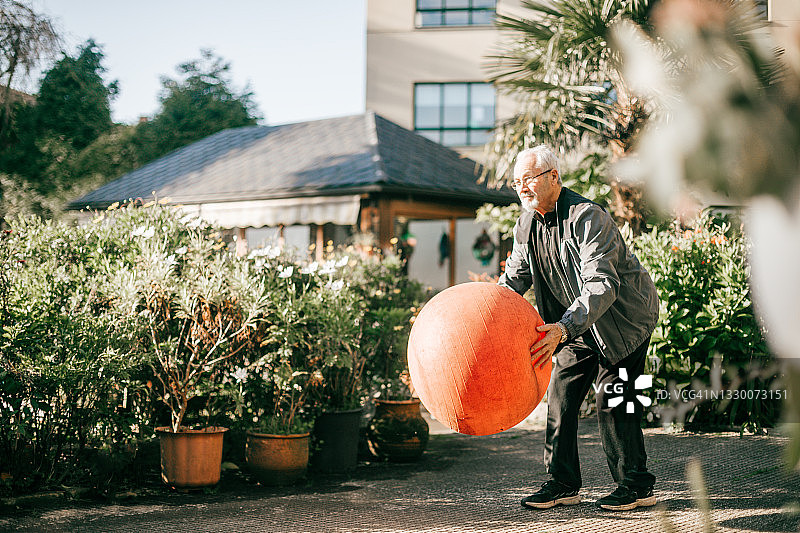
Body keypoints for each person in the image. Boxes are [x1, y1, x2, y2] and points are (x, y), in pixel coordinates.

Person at [497, 145, 660, 512]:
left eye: (529, 179)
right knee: (561, 398)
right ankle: (563, 483)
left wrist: (563, 327)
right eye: (517, 182)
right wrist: (486, 308)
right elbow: (514, 279)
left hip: (622, 323)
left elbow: (602, 284)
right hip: (574, 326)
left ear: (554, 177)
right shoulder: (526, 225)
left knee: (614, 402)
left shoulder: (588, 217)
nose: (522, 188)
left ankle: (637, 486)